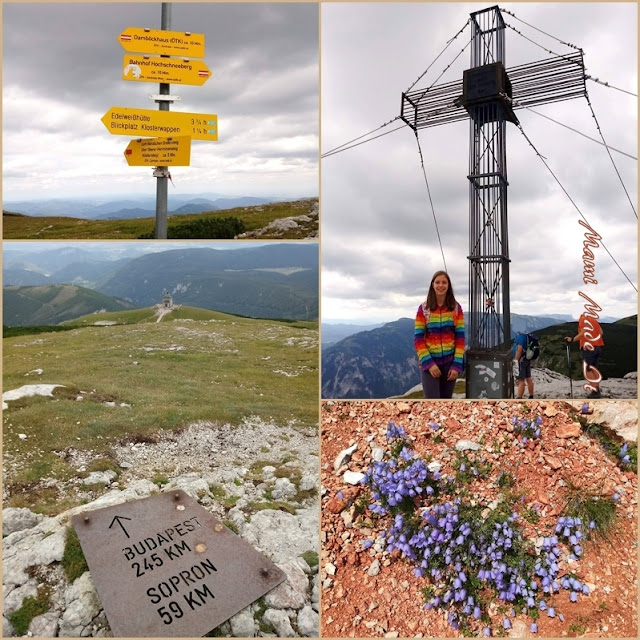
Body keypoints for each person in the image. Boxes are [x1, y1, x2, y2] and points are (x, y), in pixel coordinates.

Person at [414, 270, 465, 399]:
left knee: (447, 401)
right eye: (437, 282)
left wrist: (457, 365)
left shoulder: (456, 308)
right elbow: (418, 339)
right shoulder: (424, 309)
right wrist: (429, 364)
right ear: (432, 285)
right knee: (432, 401)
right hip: (430, 365)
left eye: (444, 282)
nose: (440, 285)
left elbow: (460, 338)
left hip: (450, 365)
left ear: (448, 285)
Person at [565, 313, 604, 398]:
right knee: (594, 368)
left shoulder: (583, 319)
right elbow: (601, 332)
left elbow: (583, 332)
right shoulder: (594, 320)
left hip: (588, 347)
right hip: (598, 346)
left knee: (587, 369)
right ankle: (597, 389)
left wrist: (572, 339)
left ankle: (595, 391)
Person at [513, 333, 534, 399]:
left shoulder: (521, 337)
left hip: (521, 360)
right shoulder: (527, 336)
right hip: (526, 359)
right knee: (528, 377)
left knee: (521, 380)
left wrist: (516, 360)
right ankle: (531, 395)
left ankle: (519, 397)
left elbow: (519, 349)